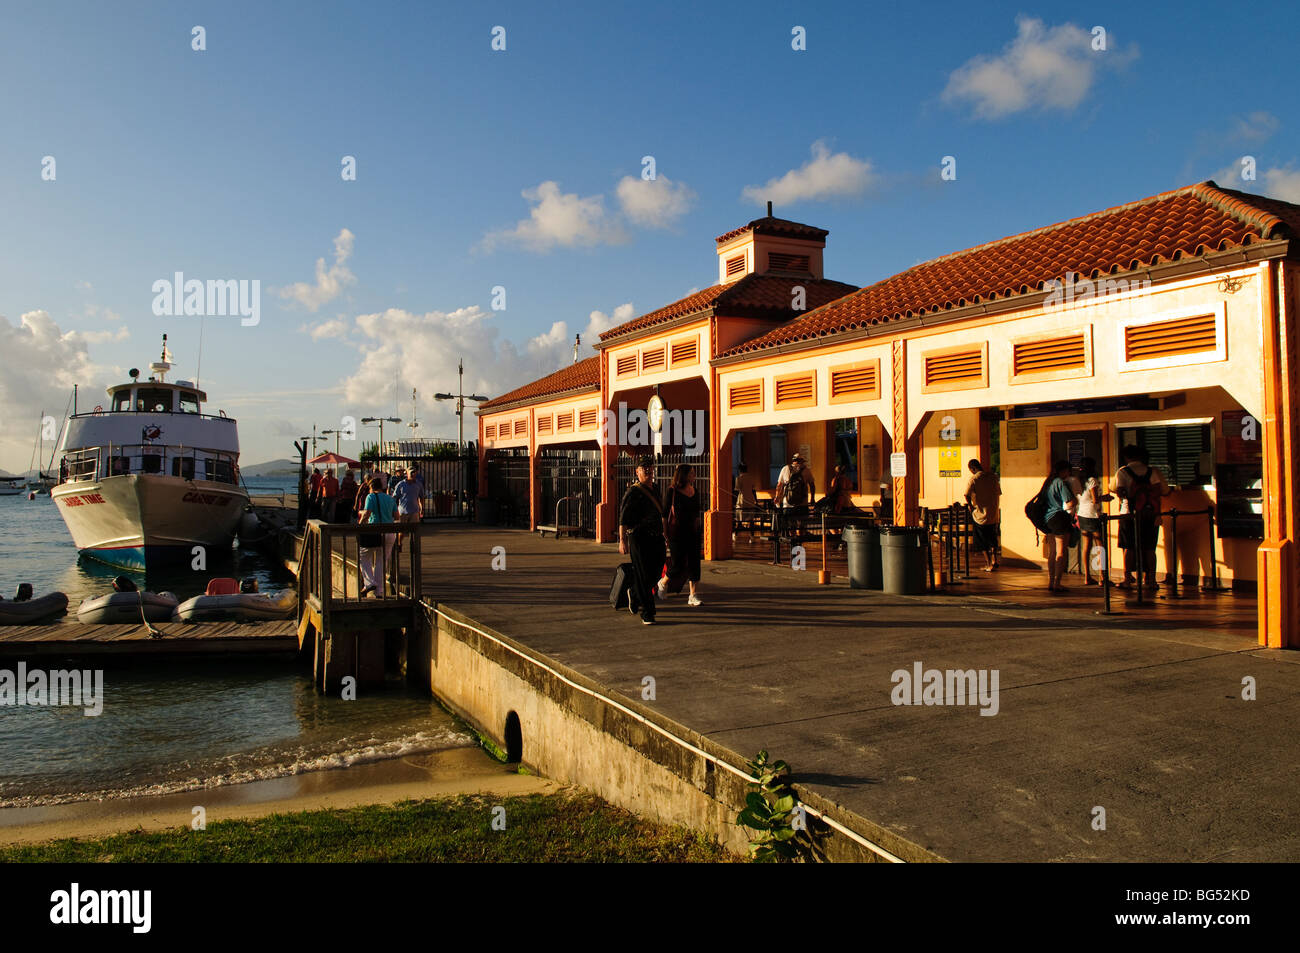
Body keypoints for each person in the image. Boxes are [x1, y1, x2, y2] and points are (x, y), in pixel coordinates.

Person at [618, 456, 666, 625]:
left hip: (656, 536)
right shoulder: (633, 492)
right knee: (643, 574)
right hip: (639, 538)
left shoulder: (656, 488)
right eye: (644, 468)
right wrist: (622, 540)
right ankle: (648, 612)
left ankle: (635, 593)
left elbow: (661, 513)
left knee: (657, 571)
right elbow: (623, 519)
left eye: (650, 467)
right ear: (637, 471)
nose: (648, 470)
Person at [1113, 445, 1168, 592]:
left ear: (1126, 457)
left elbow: (1119, 491)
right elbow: (1161, 492)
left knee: (1129, 547)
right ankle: (1151, 580)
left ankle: (1127, 578)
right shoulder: (1152, 471)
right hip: (1150, 514)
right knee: (1150, 548)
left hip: (1129, 514)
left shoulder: (1123, 471)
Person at [659, 463, 703, 606]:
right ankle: (663, 583)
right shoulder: (672, 491)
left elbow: (697, 512)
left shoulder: (694, 491)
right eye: (691, 473)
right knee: (678, 564)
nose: (694, 475)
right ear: (683, 475)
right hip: (676, 533)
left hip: (693, 532)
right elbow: (664, 514)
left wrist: (698, 525)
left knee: (694, 562)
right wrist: (664, 532)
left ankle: (693, 595)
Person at [357, 476, 397, 597]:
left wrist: (359, 525)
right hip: (390, 532)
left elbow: (367, 514)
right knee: (381, 560)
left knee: (364, 557)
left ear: (371, 487)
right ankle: (379, 590)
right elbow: (397, 515)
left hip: (375, 531)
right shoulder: (390, 498)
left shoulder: (371, 497)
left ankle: (369, 583)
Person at [1040, 459, 1077, 593]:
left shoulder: (1047, 482)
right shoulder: (1060, 483)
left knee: (1052, 552)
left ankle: (1050, 581)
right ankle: (1057, 582)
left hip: (1047, 518)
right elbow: (1070, 502)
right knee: (1061, 551)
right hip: (1059, 518)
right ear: (1065, 470)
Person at [1075, 456, 1112, 585]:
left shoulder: (1078, 481)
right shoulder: (1092, 481)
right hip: (1093, 515)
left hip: (1082, 514)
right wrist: (1105, 497)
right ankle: (1102, 576)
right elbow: (1096, 499)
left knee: (1086, 546)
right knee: (1100, 546)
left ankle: (1087, 576)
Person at [962, 459, 1002, 571]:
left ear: (973, 468)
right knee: (993, 539)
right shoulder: (993, 477)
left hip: (980, 515)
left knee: (982, 541)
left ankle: (989, 564)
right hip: (993, 514)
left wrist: (970, 506)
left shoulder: (974, 479)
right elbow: (998, 493)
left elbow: (967, 495)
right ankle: (995, 560)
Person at [774, 453, 815, 541]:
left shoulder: (785, 469)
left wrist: (777, 497)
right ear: (801, 461)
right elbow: (812, 485)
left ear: (793, 460)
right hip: (802, 503)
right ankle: (799, 545)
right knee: (801, 526)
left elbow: (779, 485)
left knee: (790, 527)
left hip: (787, 504)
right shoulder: (806, 470)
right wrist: (812, 498)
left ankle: (792, 545)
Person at [734, 463, 760, 542]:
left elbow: (737, 490)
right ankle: (751, 537)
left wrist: (734, 502)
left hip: (742, 501)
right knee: (751, 520)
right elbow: (753, 490)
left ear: (740, 470)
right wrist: (756, 501)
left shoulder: (739, 478)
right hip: (751, 500)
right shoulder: (751, 478)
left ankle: (736, 535)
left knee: (739, 520)